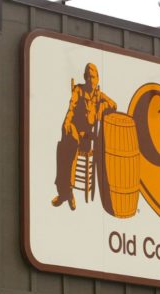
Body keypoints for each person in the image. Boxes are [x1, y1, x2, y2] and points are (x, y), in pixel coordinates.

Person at [52, 63, 117, 210]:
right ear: (85, 78)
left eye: (93, 77)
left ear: (98, 79)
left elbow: (113, 105)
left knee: (66, 146)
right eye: (88, 77)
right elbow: (71, 107)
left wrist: (101, 108)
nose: (91, 80)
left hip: (87, 138)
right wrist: (66, 123)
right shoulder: (78, 90)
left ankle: (65, 193)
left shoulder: (99, 95)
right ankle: (66, 191)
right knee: (65, 144)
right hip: (74, 130)